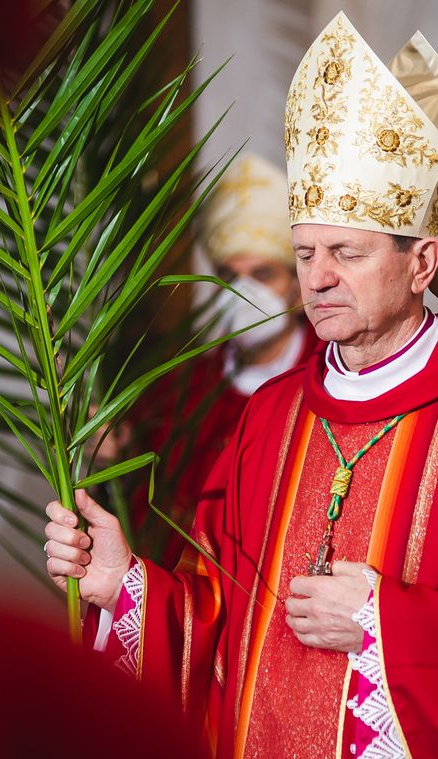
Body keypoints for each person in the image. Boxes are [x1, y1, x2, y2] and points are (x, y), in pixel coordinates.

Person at [45, 12, 438, 758]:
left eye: (346, 252)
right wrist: (129, 587)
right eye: (306, 251)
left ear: (422, 264)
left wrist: (389, 624)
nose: (316, 278)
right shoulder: (269, 416)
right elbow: (218, 623)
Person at [130, 153, 317, 556]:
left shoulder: (336, 379)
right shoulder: (175, 391)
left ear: (298, 288)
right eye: (229, 276)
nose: (243, 292)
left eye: (263, 274)